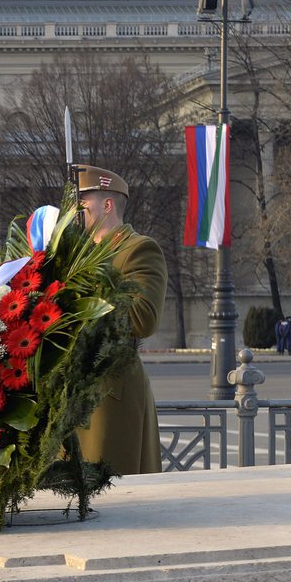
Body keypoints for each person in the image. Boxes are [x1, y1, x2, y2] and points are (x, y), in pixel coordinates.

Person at [73, 165, 167, 475]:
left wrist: (87, 292)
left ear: (108, 205)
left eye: (84, 206)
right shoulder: (79, 254)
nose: (77, 214)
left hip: (110, 393)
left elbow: (143, 318)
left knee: (114, 497)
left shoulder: (138, 249)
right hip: (74, 393)